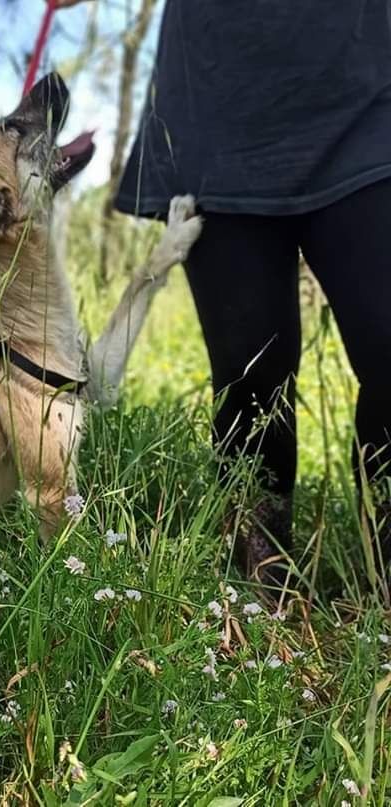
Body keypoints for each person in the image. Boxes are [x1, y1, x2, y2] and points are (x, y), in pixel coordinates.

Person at [54, 0, 391, 589]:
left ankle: (382, 566)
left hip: (368, 90)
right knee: (251, 379)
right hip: (217, 101)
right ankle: (262, 594)